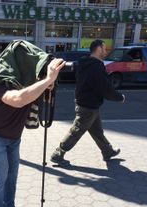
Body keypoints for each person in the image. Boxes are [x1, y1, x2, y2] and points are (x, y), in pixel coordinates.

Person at [0, 40, 65, 207]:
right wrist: (45, 80)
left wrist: (47, 83)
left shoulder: (26, 80)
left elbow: (32, 91)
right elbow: (18, 99)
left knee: (12, 174)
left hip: (12, 136)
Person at [50, 39, 125, 167]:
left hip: (88, 104)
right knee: (76, 130)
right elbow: (105, 88)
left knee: (97, 131)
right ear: (99, 49)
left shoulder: (84, 62)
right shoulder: (96, 66)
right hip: (88, 106)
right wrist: (119, 97)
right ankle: (58, 153)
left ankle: (107, 152)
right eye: (104, 48)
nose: (105, 51)